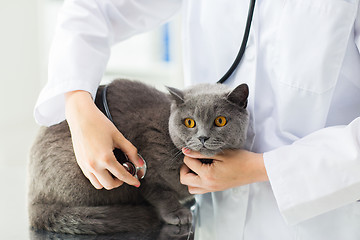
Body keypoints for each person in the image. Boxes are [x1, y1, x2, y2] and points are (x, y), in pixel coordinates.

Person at [34, 0, 360, 239]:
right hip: (211, 223)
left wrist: (264, 168)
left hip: (318, 220)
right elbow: (93, 10)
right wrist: (78, 104)